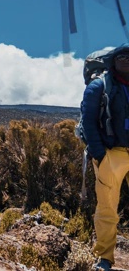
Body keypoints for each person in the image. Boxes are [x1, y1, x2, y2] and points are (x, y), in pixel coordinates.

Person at [81, 43, 129, 271]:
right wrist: (100, 155)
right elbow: (89, 122)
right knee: (107, 209)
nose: (127, 62)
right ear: (113, 60)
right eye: (123, 58)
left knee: (108, 208)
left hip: (116, 153)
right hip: (110, 154)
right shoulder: (99, 86)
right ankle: (104, 258)